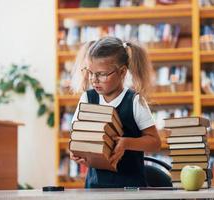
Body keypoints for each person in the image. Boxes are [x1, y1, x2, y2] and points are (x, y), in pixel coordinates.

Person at [69, 36, 161, 188]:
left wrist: (126, 143)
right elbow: (76, 136)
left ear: (122, 72)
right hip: (95, 187)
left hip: (131, 189)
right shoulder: (87, 98)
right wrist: (75, 151)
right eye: (90, 72)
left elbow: (155, 143)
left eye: (102, 74)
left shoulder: (135, 101)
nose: (94, 79)